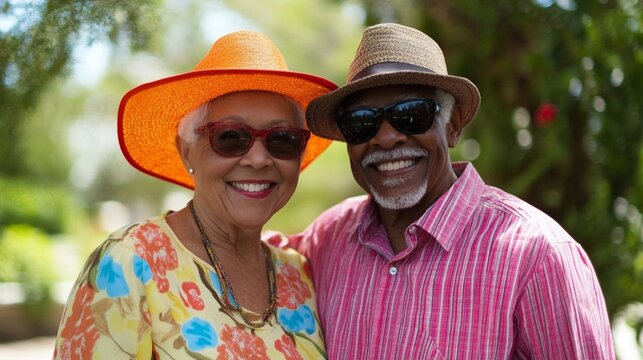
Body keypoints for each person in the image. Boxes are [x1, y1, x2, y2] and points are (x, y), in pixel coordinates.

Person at [267, 23, 615, 359]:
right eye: (362, 122)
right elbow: (240, 254)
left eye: (410, 114)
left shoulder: (538, 255)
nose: (386, 137)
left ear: (453, 126)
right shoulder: (329, 238)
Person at [54, 30, 336, 359]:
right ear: (187, 151)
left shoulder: (297, 272)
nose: (258, 159)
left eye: (282, 139)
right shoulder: (130, 261)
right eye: (231, 137)